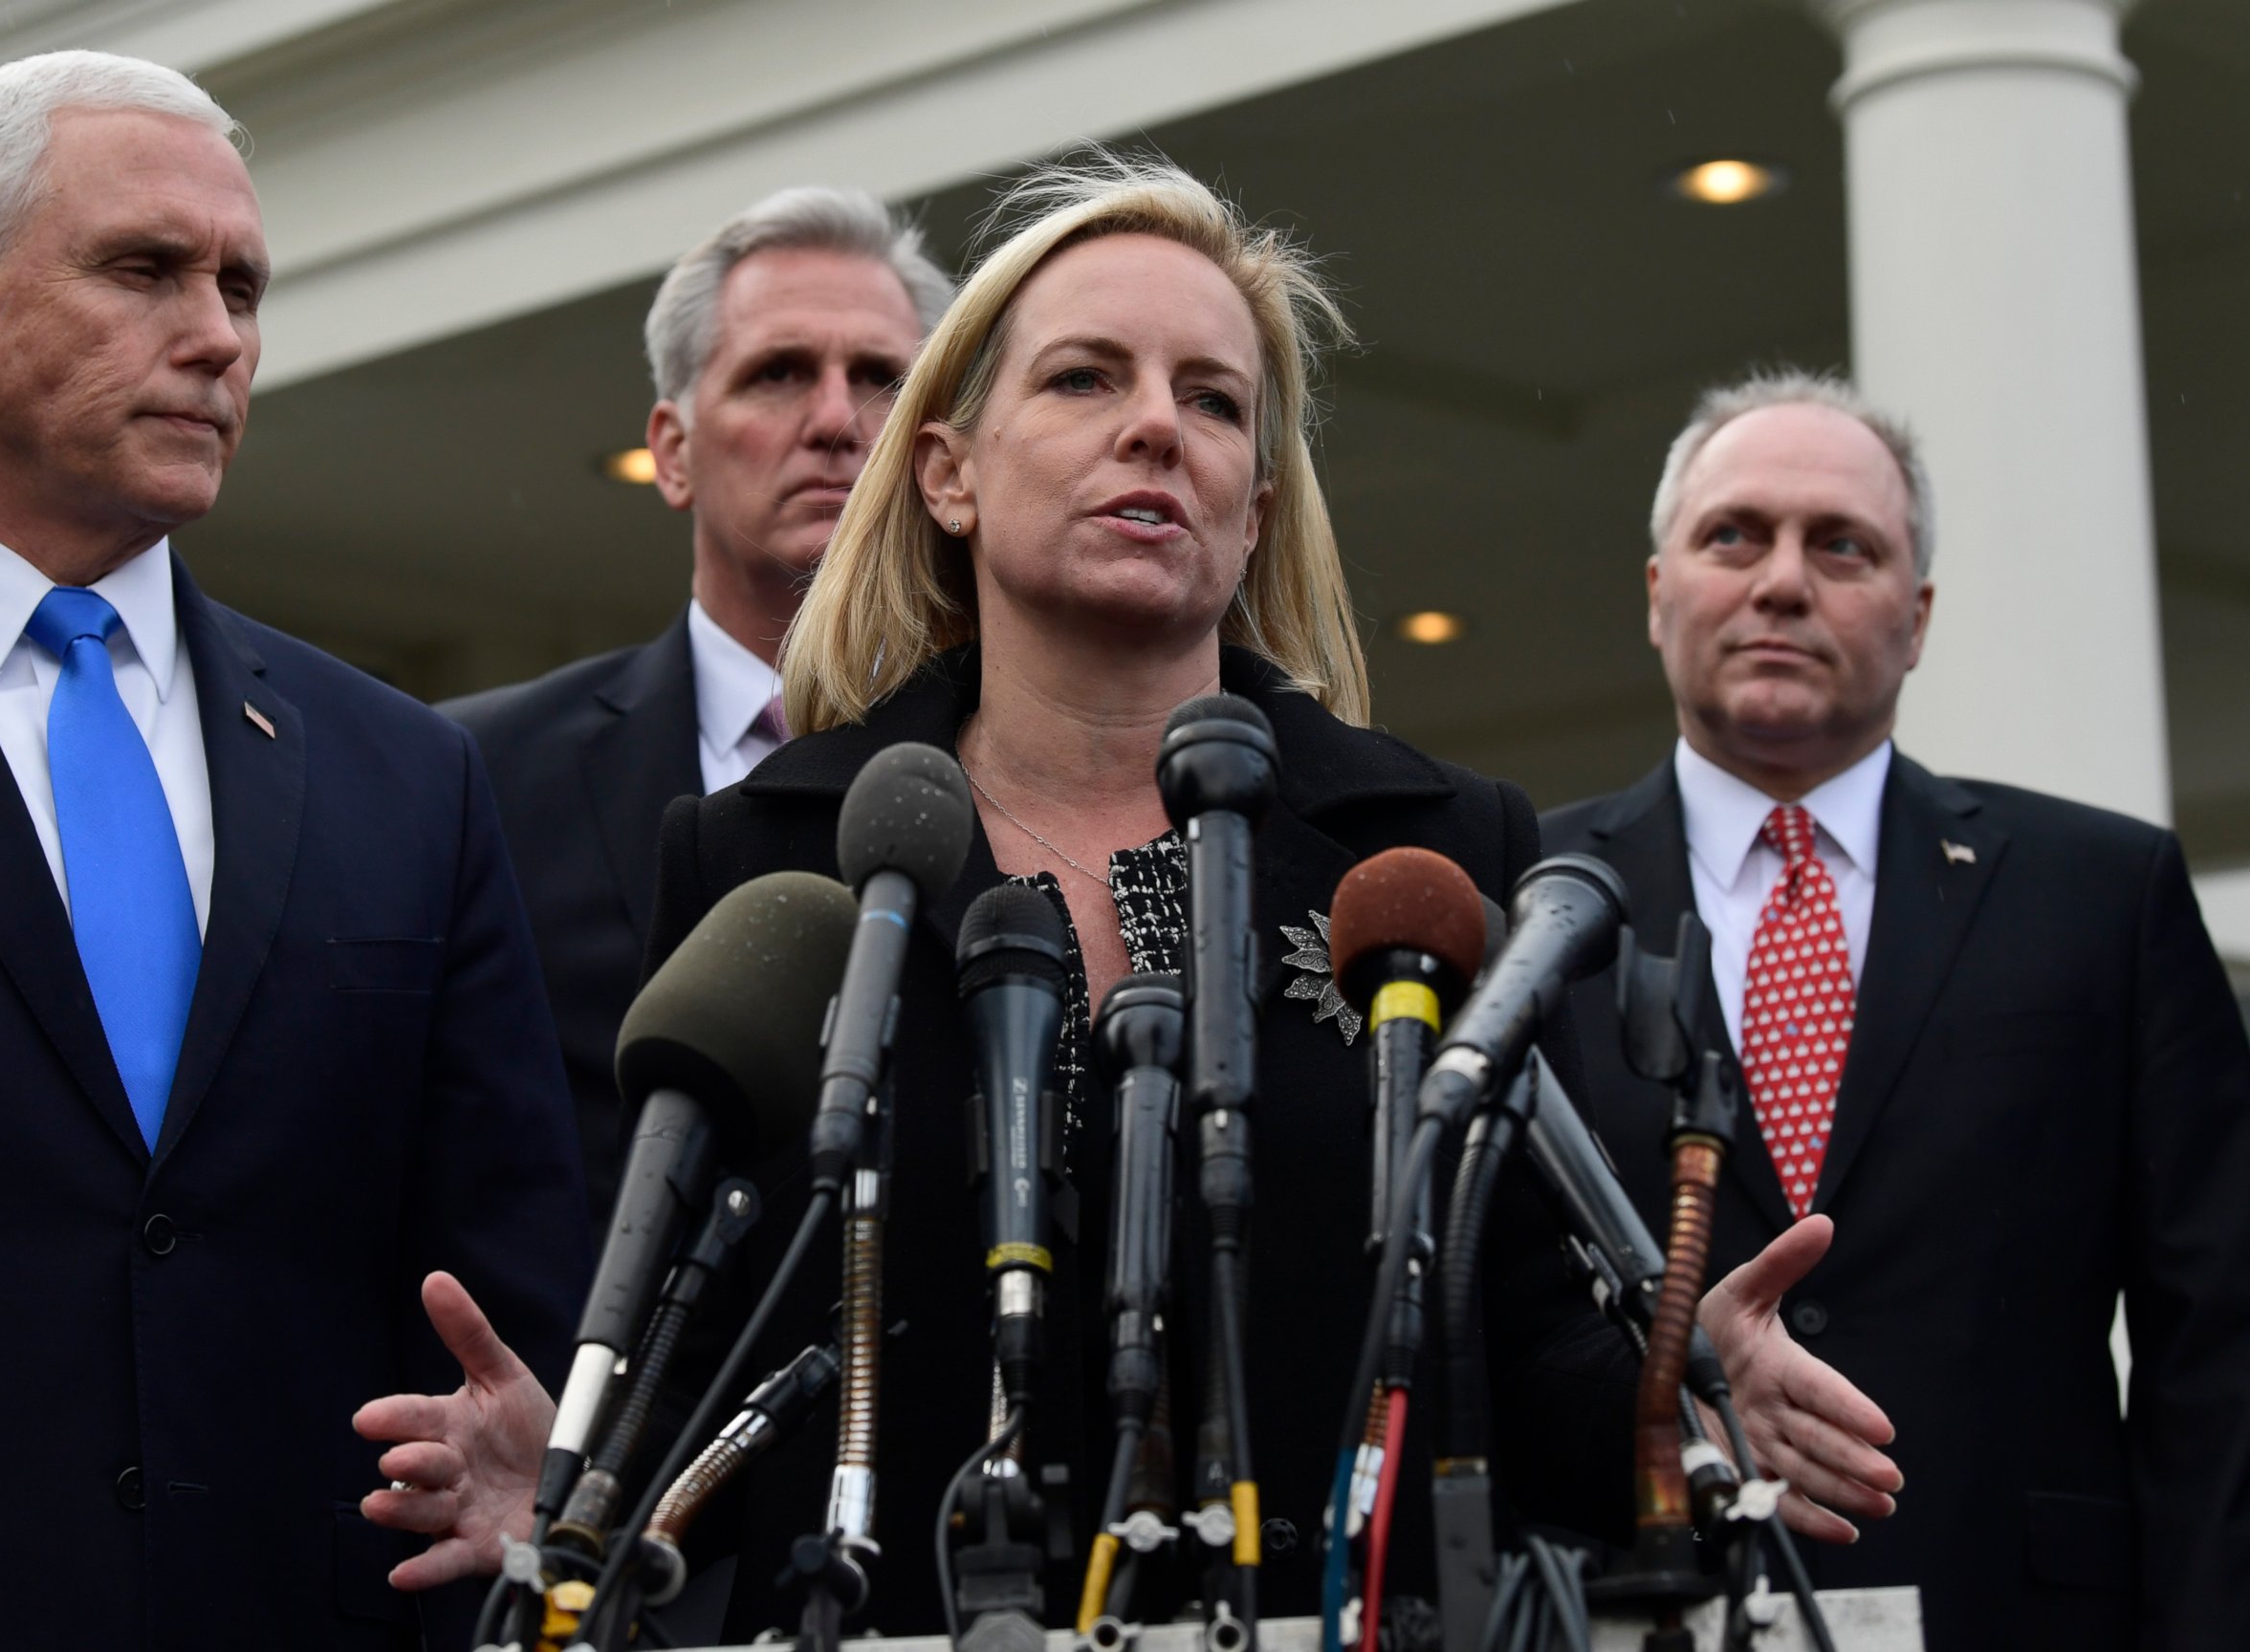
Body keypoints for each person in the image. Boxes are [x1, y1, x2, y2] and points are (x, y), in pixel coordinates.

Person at [360, 160, 1900, 1636]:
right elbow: (726, 1348)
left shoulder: (1428, 846)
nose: (1157, 429)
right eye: (1088, 380)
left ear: (1254, 503)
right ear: (949, 472)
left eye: (1213, 402)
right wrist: (576, 1481)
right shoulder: (775, 850)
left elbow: (1518, 1333)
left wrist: (1670, 1401)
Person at [0, 52, 588, 1647]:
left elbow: (508, 1284)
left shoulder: (405, 771)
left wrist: (532, 1467)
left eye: (241, 284)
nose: (219, 336)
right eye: (145, 270)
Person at [1541, 370, 2250, 1650]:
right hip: (1631, 1601)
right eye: (1734, 535)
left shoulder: (2103, 896)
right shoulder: (1530, 903)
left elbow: (2222, 1341)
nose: (1782, 582)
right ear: (1659, 596)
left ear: (1916, 619)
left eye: (1843, 546)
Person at [444, 188, 950, 1231]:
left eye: (881, 382)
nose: (834, 422)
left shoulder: (1031, 764)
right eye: (778, 374)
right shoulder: (476, 776)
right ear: (672, 450)